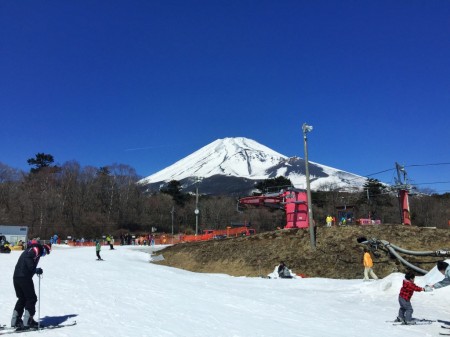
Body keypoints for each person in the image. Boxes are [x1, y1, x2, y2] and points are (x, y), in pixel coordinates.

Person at [11, 241, 51, 329]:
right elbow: (28, 258)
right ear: (44, 248)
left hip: (17, 277)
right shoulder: (37, 249)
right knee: (31, 298)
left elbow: (27, 258)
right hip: (24, 277)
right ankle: (28, 321)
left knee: (22, 298)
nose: (44, 255)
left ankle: (15, 320)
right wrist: (35, 269)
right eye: (46, 252)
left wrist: (33, 269)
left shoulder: (30, 249)